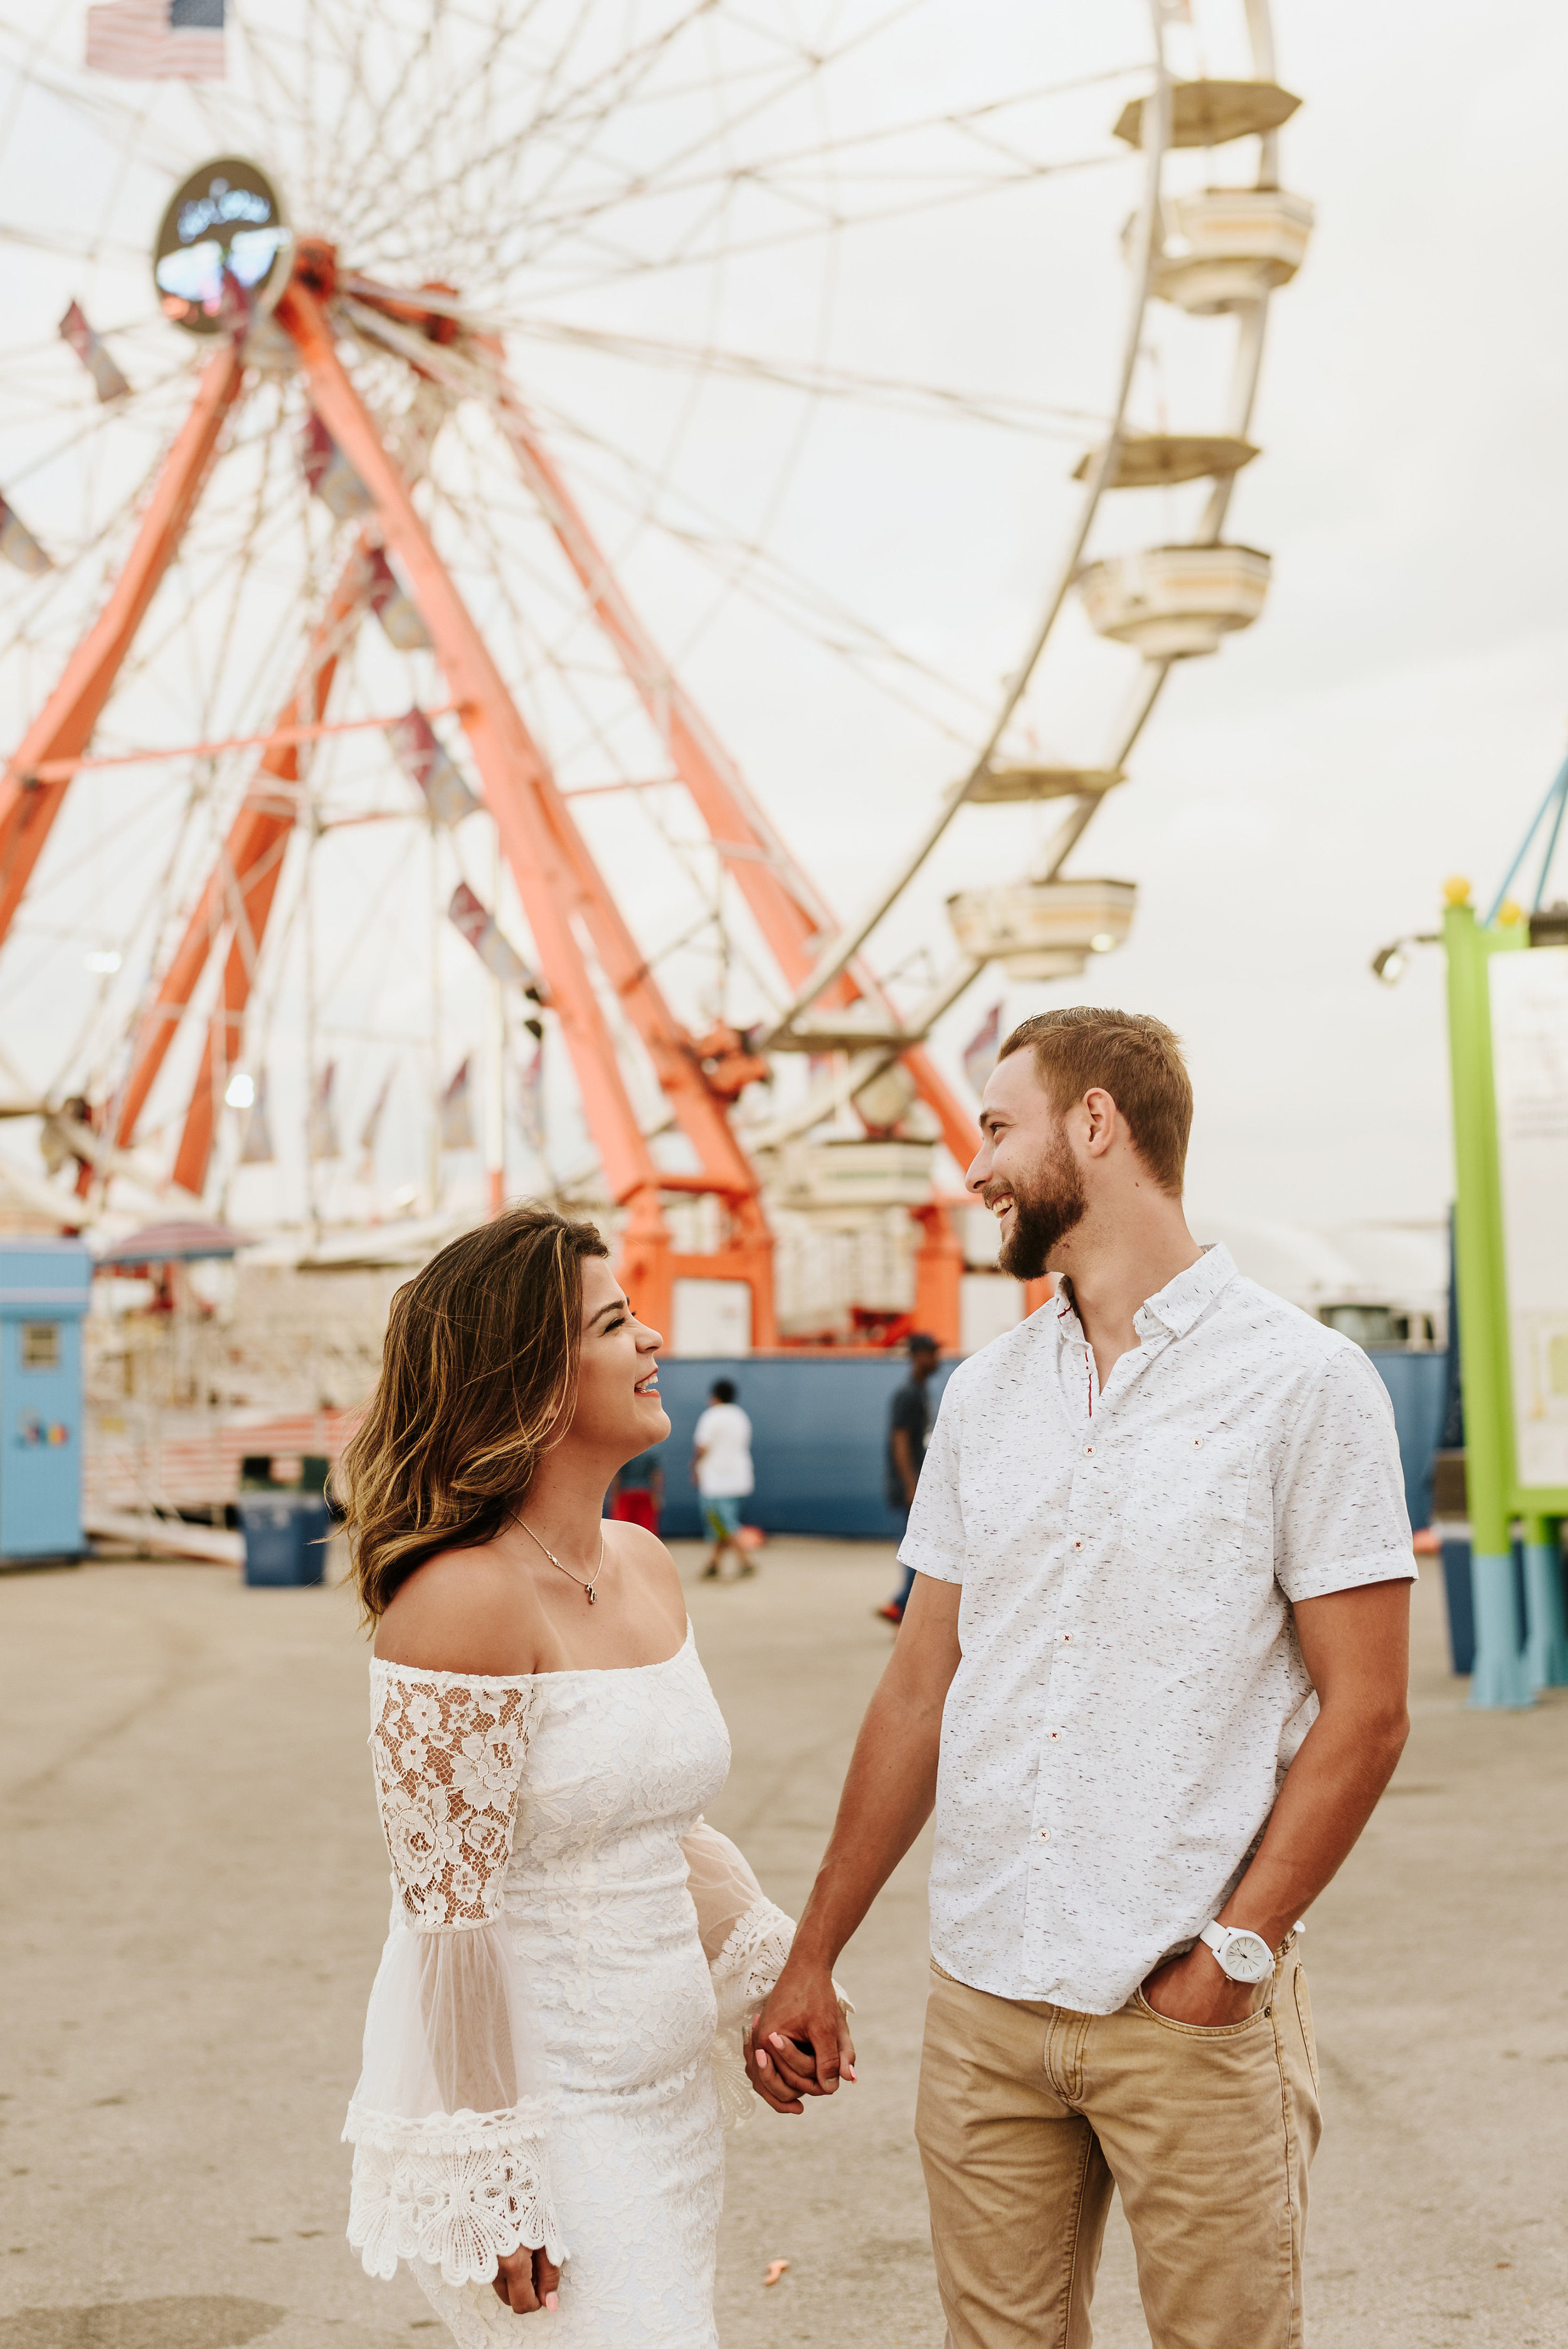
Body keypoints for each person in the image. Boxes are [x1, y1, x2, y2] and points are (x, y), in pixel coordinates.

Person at [746, 1007, 1416, 2349]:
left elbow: (1368, 1709)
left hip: (1186, 2002)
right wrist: (810, 1953)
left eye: (997, 1129)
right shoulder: (984, 1397)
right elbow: (915, 1692)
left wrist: (1232, 1955)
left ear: (1096, 1124)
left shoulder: (1303, 1385)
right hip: (985, 2001)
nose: (973, 1167)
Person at [336, 1206, 830, 2347]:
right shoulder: (460, 1601)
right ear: (533, 1383)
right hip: (544, 2128)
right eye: (616, 1323)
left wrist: (771, 1969)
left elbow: (662, 1824)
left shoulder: (649, 1565)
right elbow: (444, 1915)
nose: (654, 1338)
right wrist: (493, 2175)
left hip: (666, 2113)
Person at [876, 1332, 940, 1625]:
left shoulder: (922, 1391)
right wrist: (911, 1485)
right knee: (916, 1550)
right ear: (917, 1356)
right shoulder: (908, 1394)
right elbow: (899, 1440)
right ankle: (903, 1608)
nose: (936, 1358)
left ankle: (901, 1605)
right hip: (909, 1487)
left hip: (919, 1485)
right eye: (931, 1353)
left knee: (921, 1548)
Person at [691, 1377, 755, 1582]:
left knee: (723, 1524)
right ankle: (714, 1564)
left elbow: (703, 1446)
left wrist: (694, 1467)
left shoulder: (712, 1416)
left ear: (714, 1397)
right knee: (721, 1525)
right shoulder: (741, 1416)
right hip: (739, 1478)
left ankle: (746, 1562)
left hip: (716, 1481)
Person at [609, 1448, 665, 1535]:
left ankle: (624, 1547)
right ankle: (646, 1547)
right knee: (647, 1527)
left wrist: (614, 1498)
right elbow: (656, 1475)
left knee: (622, 1526)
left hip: (626, 1493)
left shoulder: (624, 1452)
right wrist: (657, 1496)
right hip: (645, 1492)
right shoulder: (651, 1452)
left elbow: (618, 1477)